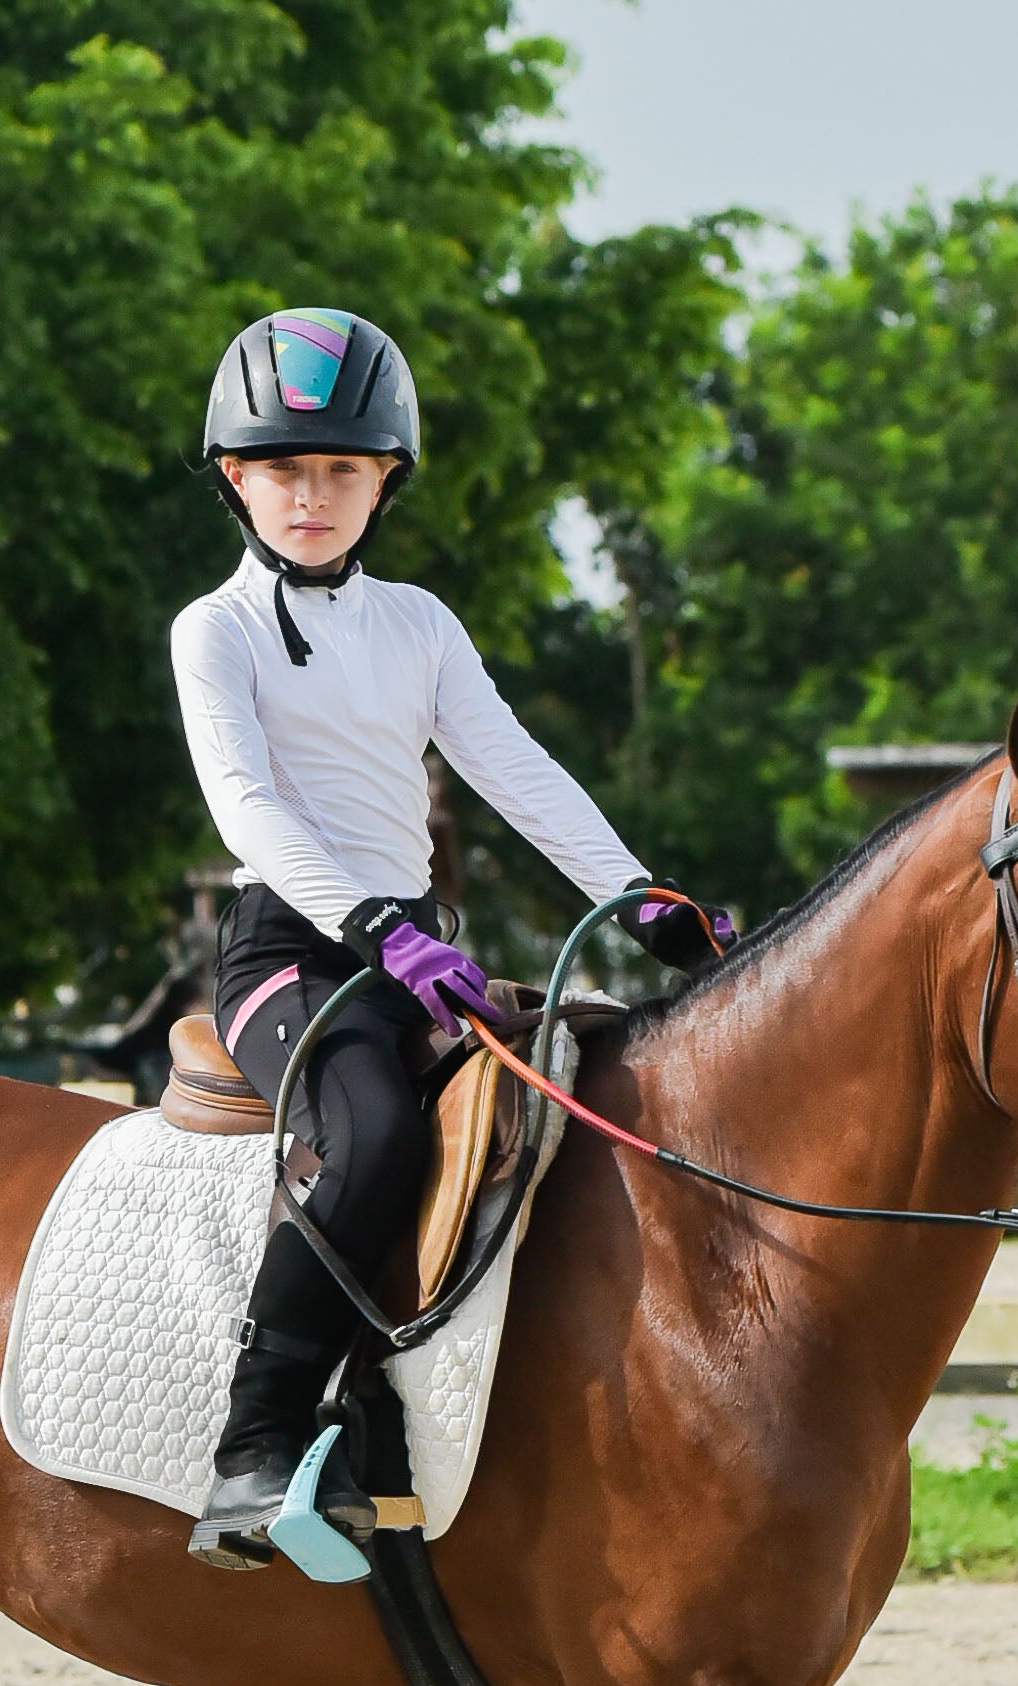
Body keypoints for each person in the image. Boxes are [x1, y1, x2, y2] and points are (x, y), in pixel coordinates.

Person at [171, 306, 723, 1569]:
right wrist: (367, 922)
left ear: (384, 482)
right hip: (292, 955)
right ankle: (253, 1453)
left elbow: (513, 772)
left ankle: (412, 1430)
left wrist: (643, 898)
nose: (311, 496)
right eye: (282, 470)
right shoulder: (216, 630)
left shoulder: (418, 623)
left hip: (421, 952)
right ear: (234, 481)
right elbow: (244, 803)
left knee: (570, 1118)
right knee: (367, 1136)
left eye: (341, 471)